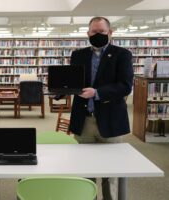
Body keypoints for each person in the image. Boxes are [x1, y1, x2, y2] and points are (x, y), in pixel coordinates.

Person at [69, 17, 134, 200]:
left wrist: (96, 93)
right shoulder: (78, 55)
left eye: (102, 32)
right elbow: (74, 82)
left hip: (111, 120)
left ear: (110, 32)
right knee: (84, 169)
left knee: (111, 171)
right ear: (88, 33)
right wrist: (60, 90)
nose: (97, 35)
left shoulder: (122, 54)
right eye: (94, 32)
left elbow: (125, 86)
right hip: (84, 120)